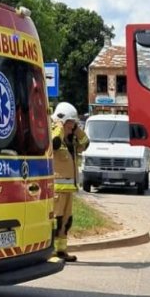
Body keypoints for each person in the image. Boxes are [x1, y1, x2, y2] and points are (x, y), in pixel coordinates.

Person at [50, 102, 89, 262]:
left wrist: (77, 129)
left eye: (74, 123)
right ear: (63, 121)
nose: (73, 125)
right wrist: (59, 126)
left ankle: (61, 251)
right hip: (57, 190)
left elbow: (86, 143)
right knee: (56, 221)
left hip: (69, 190)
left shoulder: (72, 141)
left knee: (66, 221)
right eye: (71, 122)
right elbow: (54, 144)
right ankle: (51, 252)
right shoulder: (54, 135)